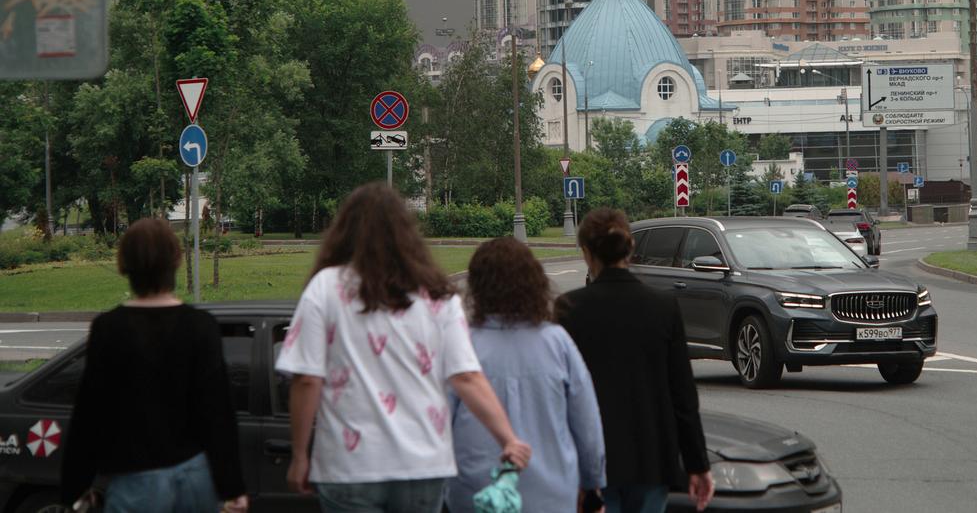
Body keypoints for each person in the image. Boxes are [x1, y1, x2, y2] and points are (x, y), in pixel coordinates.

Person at [276, 183, 531, 513]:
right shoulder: (439, 295)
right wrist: (507, 438)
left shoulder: (325, 289)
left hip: (348, 467)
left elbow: (308, 379)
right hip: (423, 465)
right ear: (408, 233)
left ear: (343, 232)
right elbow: (466, 377)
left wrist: (299, 455)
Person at [61, 218, 248, 512]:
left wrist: (74, 485)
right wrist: (232, 485)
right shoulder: (201, 326)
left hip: (135, 482)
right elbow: (218, 412)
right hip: (195, 480)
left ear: (124, 265)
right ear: (175, 261)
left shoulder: (108, 329)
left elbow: (90, 412)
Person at [558, 208, 714, 513]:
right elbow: (682, 394)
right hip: (652, 456)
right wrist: (697, 464)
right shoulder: (663, 306)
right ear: (630, 248)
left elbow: (559, 395)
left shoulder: (568, 309)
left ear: (586, 252)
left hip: (591, 462)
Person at [446, 237, 606, 513]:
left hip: (477, 495)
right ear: (535, 282)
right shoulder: (558, 343)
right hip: (551, 496)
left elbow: (441, 422)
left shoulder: (461, 345)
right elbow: (587, 424)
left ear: (477, 287)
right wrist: (592, 484)